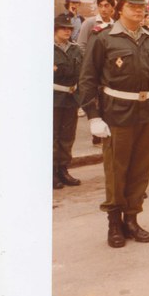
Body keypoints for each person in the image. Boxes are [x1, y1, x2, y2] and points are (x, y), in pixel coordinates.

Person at [78, 0, 149, 248]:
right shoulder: (104, 38)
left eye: (142, 7)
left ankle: (132, 219)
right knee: (117, 171)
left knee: (141, 170)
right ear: (120, 9)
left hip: (147, 113)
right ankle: (114, 223)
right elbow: (88, 79)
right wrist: (94, 116)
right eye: (132, 6)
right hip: (117, 113)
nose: (139, 11)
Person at [53, 13, 84, 189]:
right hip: (53, 99)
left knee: (67, 137)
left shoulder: (75, 49)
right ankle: (51, 172)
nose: (67, 31)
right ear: (55, 29)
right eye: (63, 28)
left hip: (71, 99)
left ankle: (63, 169)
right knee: (53, 137)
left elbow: (81, 74)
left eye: (69, 29)